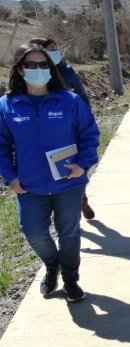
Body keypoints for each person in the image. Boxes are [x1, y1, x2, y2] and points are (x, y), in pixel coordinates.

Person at [0, 44, 99, 302]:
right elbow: (1, 146)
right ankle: (52, 264)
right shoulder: (7, 105)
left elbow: (89, 136)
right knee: (33, 232)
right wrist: (11, 177)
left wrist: (82, 164)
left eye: (44, 65)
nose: (38, 69)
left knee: (69, 233)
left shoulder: (70, 101)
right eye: (31, 65)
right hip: (30, 186)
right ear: (20, 70)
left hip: (69, 183)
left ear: (51, 69)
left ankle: (70, 279)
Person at [30, 36, 96, 220]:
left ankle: (80, 198)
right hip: (43, 128)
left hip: (69, 126)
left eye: (56, 47)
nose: (55, 51)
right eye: (51, 48)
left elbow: (81, 93)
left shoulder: (66, 70)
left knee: (76, 163)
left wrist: (86, 120)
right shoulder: (34, 75)